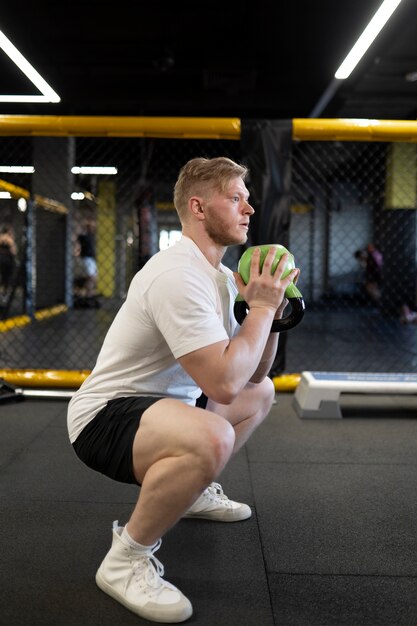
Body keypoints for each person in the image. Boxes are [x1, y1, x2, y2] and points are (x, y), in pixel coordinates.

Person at [67, 156, 299, 623]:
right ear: (198, 207)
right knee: (214, 435)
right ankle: (126, 559)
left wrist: (271, 317)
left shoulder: (216, 277)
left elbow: (250, 377)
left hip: (163, 409)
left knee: (265, 393)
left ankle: (190, 492)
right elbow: (223, 383)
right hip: (105, 418)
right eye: (235, 198)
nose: (249, 209)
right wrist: (259, 307)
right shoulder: (178, 274)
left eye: (248, 199)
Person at [77, 217, 98, 298]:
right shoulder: (83, 235)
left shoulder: (90, 235)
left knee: (94, 277)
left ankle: (88, 292)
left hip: (90, 258)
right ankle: (87, 293)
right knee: (91, 277)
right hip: (87, 258)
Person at [0, 224, 17, 302]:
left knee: (6, 279)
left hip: (7, 262)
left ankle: (5, 295)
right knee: (6, 279)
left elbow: (14, 252)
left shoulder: (7, 238)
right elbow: (14, 252)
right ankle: (5, 295)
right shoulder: (5, 238)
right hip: (5, 261)